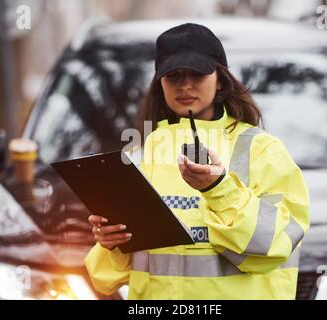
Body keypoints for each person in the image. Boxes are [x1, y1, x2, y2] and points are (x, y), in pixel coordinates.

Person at [84, 23, 310, 300]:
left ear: (221, 81)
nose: (185, 84)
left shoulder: (262, 150)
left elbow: (272, 247)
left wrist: (218, 189)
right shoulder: (142, 154)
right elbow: (105, 279)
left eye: (197, 73)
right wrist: (111, 243)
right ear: (160, 83)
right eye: (173, 75)